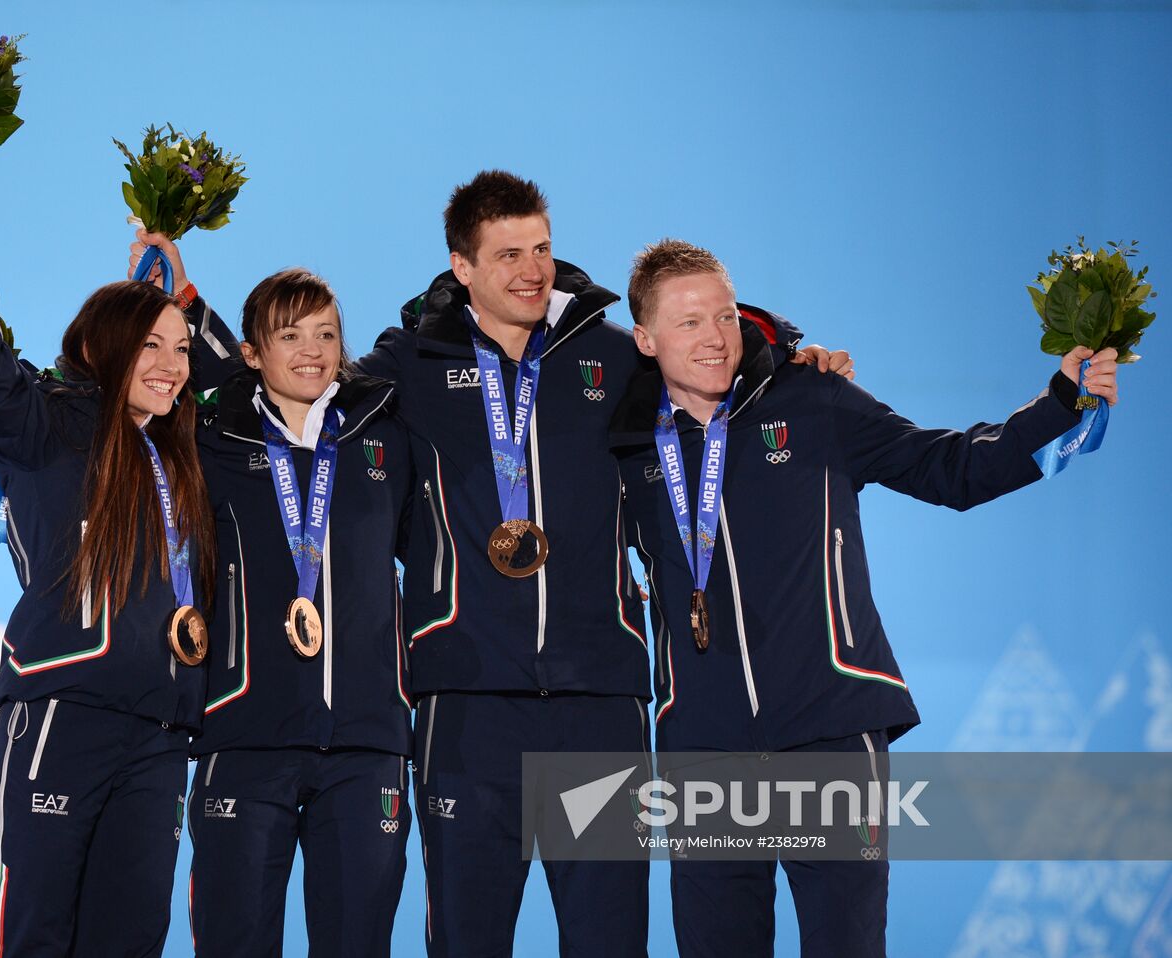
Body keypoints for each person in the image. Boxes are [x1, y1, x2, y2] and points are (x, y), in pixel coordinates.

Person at [122, 170, 845, 956]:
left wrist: (793, 357)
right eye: (507, 255)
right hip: (465, 706)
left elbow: (704, 357)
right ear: (462, 267)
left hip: (596, 704)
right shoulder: (409, 364)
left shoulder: (609, 352)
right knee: (467, 939)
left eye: (540, 248)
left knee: (608, 939)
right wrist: (194, 316)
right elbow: (299, 390)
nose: (531, 270)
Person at [608, 238, 1121, 958]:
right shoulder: (627, 449)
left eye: (723, 315)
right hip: (704, 746)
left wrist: (1063, 400)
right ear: (645, 338)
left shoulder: (814, 398)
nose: (714, 338)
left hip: (830, 728)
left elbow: (953, 468)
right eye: (688, 323)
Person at [0, 132, 213, 958]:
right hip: (62, 712)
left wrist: (185, 296)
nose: (170, 367)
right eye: (150, 346)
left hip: (161, 738)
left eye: (181, 351)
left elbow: (255, 394)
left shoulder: (188, 455)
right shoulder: (45, 422)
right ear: (98, 350)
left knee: (127, 943)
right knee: (29, 940)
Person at [185, 268, 414, 957]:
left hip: (365, 743)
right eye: (289, 335)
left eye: (326, 333)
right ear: (252, 353)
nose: (312, 350)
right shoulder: (210, 442)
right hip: (244, 735)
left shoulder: (387, 437)